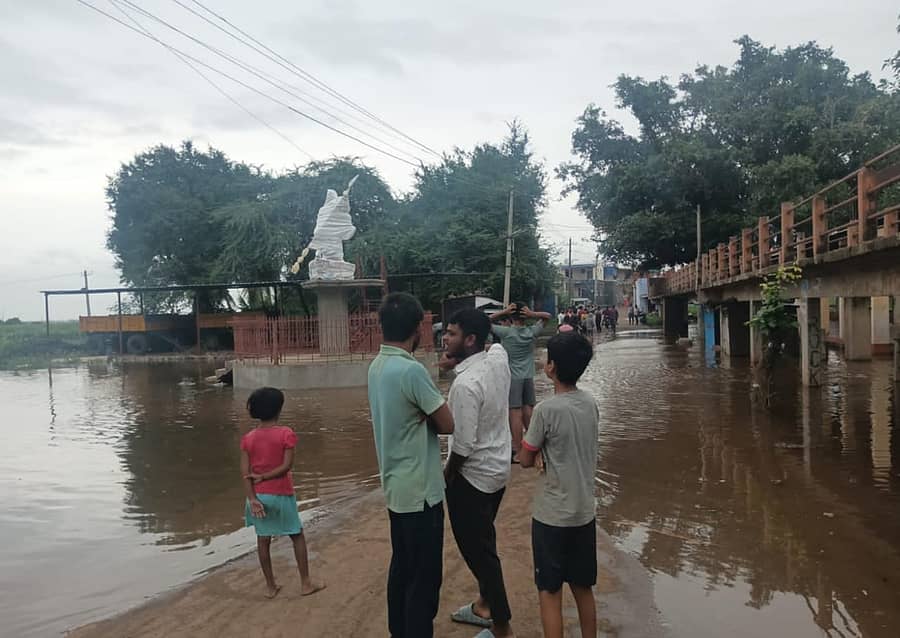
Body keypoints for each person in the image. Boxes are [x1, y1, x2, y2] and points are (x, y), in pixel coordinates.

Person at [368, 292, 455, 638]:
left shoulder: (377, 366)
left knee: (402, 569)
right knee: (424, 580)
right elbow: (448, 424)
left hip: (395, 489)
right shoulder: (411, 370)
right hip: (421, 493)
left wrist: (423, 416)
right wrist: (429, 415)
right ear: (418, 329)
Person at [519, 332, 599, 638]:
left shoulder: (545, 411)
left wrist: (535, 452)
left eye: (546, 357)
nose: (543, 361)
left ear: (551, 367)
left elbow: (525, 458)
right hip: (583, 513)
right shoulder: (590, 403)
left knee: (550, 591)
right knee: (583, 587)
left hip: (551, 516)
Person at [442, 309, 515, 638]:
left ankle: (501, 627)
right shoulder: (497, 358)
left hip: (472, 479)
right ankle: (484, 605)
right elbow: (495, 343)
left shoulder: (464, 386)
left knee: (480, 554)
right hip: (498, 471)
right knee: (485, 540)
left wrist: (447, 476)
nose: (445, 338)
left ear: (470, 340)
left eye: (452, 333)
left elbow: (463, 446)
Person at [241, 387, 325, 599]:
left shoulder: (248, 439)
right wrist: (267, 477)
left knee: (263, 539)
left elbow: (245, 474)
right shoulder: (286, 434)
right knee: (296, 535)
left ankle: (271, 587)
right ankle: (305, 583)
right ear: (279, 410)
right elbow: (287, 466)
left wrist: (252, 498)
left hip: (258, 496)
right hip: (282, 494)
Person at [491, 302, 552, 463]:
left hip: (513, 377)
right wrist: (532, 314)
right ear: (525, 316)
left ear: (510, 317)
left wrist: (503, 311)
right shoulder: (532, 331)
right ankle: (535, 446)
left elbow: (482, 321)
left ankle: (519, 451)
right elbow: (547, 317)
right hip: (528, 376)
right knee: (528, 410)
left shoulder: (506, 332)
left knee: (515, 413)